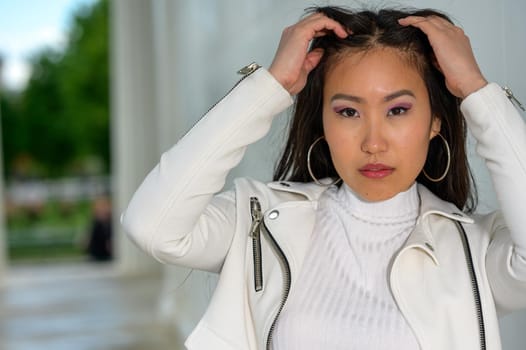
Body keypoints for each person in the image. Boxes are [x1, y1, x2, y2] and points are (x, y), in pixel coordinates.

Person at [121, 6, 526, 350]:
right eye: (348, 112)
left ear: (435, 119)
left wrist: (477, 91)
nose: (373, 142)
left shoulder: (475, 251)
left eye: (397, 110)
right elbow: (152, 226)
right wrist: (269, 87)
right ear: (323, 124)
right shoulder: (263, 223)